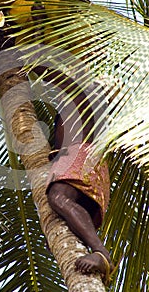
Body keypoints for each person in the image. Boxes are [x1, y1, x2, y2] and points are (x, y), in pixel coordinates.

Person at [33, 65, 114, 284]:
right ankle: (96, 250)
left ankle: (101, 253)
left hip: (81, 155)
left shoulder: (86, 93)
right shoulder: (73, 104)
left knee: (58, 198)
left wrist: (21, 60)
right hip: (77, 160)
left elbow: (53, 75)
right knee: (63, 210)